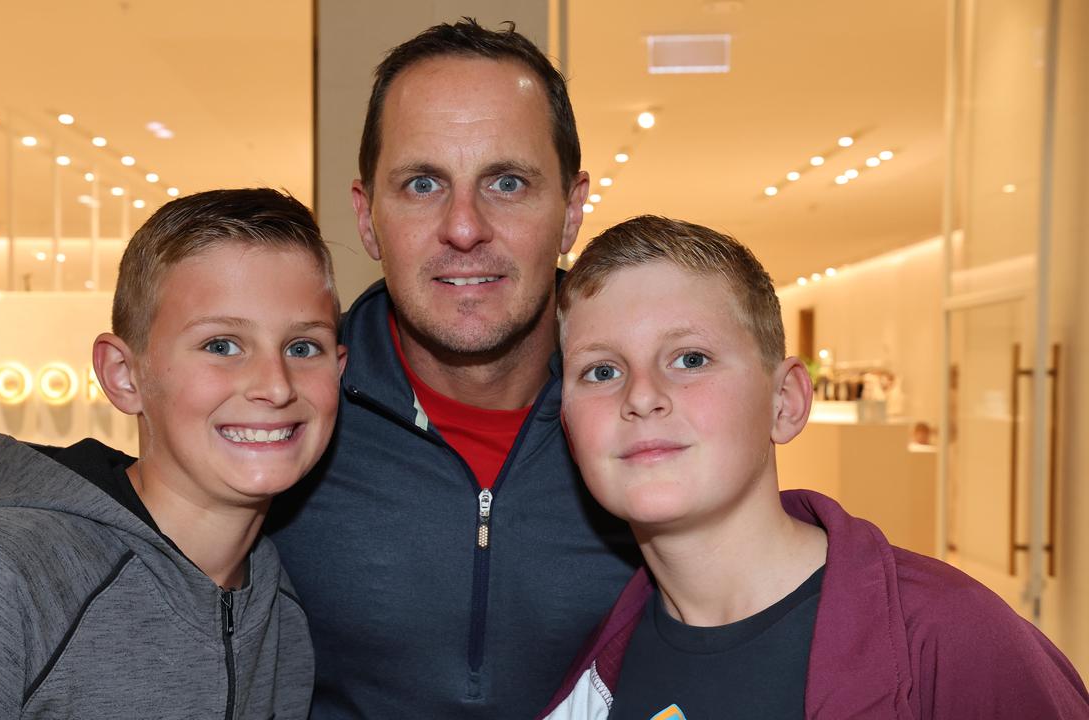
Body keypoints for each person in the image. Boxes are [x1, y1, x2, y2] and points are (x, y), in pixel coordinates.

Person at [0, 188, 346, 719]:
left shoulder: (281, 611)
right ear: (124, 375)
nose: (276, 386)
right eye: (221, 345)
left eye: (303, 348)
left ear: (338, 371)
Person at [541, 215, 1089, 719]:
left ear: (785, 402)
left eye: (690, 359)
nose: (642, 396)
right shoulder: (594, 671)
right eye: (601, 371)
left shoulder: (954, 642)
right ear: (568, 426)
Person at [266, 18, 639, 719]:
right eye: (422, 183)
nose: (464, 228)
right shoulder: (281, 417)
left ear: (571, 209)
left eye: (506, 181)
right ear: (367, 217)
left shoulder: (650, 421)